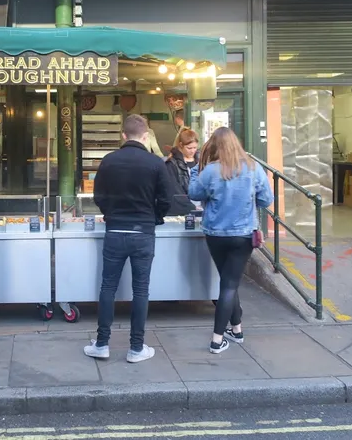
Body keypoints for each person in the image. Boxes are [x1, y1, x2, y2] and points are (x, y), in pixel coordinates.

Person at [85, 114, 172, 363]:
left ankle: (101, 344)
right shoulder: (155, 163)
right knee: (141, 289)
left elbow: (98, 195)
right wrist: (154, 217)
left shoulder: (109, 161)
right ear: (146, 136)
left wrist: (110, 214)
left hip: (114, 231)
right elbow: (166, 199)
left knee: (107, 287)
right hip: (143, 233)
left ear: (123, 135)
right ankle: (136, 348)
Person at [188, 127, 274, 355]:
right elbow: (267, 199)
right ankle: (223, 337)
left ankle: (228, 334)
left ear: (215, 147)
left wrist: (196, 171)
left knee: (228, 282)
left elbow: (194, 194)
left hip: (215, 234)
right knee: (230, 283)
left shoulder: (210, 171)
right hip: (243, 235)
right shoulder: (254, 168)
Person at [164, 129, 200, 216]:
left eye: (195, 148)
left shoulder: (201, 161)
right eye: (189, 148)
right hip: (182, 209)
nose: (192, 151)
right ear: (181, 145)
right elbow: (174, 190)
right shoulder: (172, 164)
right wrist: (190, 206)